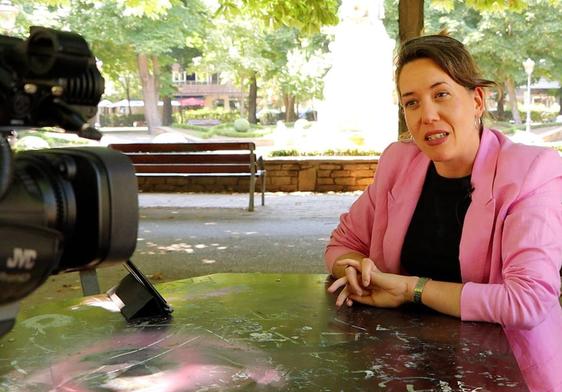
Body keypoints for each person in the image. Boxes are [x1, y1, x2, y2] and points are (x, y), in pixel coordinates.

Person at [325, 33, 562, 392]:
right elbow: (342, 244)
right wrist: (357, 270)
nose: (427, 116)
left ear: (477, 99)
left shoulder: (530, 172)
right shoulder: (398, 162)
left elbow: (527, 302)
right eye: (412, 103)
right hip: (405, 366)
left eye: (441, 94)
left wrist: (410, 289)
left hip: (505, 373)